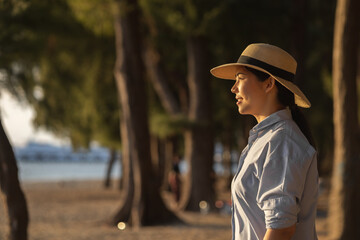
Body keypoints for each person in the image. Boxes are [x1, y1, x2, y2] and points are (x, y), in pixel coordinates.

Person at [210, 43, 318, 240]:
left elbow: (281, 228)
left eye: (240, 79)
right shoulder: (267, 139)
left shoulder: (282, 141)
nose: (233, 88)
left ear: (269, 84)